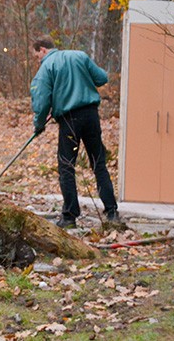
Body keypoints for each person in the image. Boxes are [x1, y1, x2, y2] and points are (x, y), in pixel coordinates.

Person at [30, 35, 119, 229]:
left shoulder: (46, 67)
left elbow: (41, 100)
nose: (38, 60)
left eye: (37, 56)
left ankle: (70, 216)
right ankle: (112, 212)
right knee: (98, 163)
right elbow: (101, 78)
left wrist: (38, 124)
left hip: (70, 120)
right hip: (91, 116)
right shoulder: (80, 56)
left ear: (42, 49)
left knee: (66, 166)